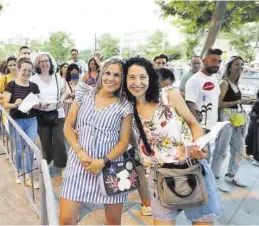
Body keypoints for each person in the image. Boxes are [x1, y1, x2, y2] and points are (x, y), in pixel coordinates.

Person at [123, 57, 222, 225]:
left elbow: (193, 123)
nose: (137, 82)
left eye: (142, 77)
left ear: (150, 78)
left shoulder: (169, 95)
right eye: (131, 77)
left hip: (191, 169)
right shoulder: (128, 106)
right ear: (125, 80)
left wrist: (199, 146)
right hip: (159, 176)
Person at [59, 58, 133, 225]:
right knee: (65, 220)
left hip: (113, 167)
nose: (111, 78)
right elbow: (68, 127)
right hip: (79, 164)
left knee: (113, 222)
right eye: (107, 73)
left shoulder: (125, 105)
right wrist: (79, 151)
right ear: (100, 74)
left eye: (117, 75)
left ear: (123, 79)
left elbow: (123, 142)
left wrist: (102, 162)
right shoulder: (84, 93)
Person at [3, 58, 40, 188]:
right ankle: (18, 171)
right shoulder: (11, 85)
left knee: (30, 148)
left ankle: (28, 175)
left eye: (29, 70)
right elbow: (5, 103)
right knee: (18, 150)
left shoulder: (34, 86)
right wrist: (15, 104)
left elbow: (37, 104)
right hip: (16, 121)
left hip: (31, 120)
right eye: (24, 70)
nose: (27, 72)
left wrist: (40, 104)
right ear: (18, 69)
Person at [217, 56, 253, 187]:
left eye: (242, 65)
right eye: (237, 64)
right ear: (229, 67)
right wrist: (239, 101)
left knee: (239, 150)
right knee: (221, 151)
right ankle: (215, 179)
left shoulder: (235, 84)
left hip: (237, 120)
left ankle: (231, 175)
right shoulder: (224, 83)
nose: (240, 67)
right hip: (226, 120)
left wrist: (244, 102)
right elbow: (219, 104)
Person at [30, 53, 67, 172]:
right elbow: (30, 98)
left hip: (58, 113)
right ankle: (48, 164)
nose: (44, 63)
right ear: (37, 64)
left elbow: (64, 91)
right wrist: (40, 103)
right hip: (41, 115)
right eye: (41, 61)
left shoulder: (57, 77)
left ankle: (62, 166)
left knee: (60, 141)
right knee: (45, 142)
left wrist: (62, 99)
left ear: (50, 62)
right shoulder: (33, 79)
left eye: (46, 61)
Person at [246, 89, 259, 166]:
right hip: (255, 117)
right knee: (251, 135)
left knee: (257, 139)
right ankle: (248, 152)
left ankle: (257, 158)